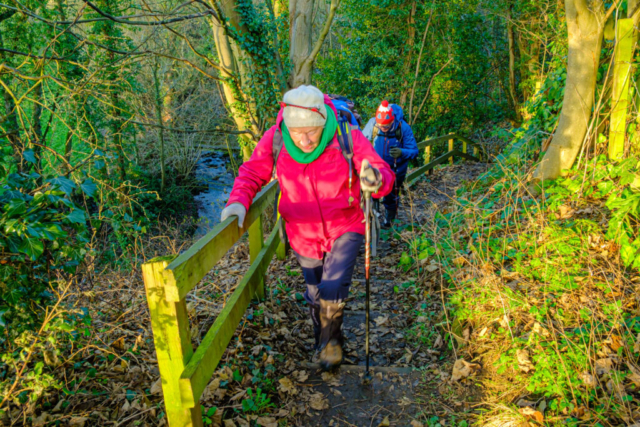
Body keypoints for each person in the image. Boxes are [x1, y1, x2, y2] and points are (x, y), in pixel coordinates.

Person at [221, 85, 395, 370]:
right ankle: (324, 340)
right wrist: (238, 201)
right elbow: (252, 171)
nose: (303, 140)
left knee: (332, 285)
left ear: (323, 120)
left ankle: (329, 347)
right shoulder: (276, 137)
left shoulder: (345, 135)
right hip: (303, 233)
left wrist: (375, 179)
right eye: (297, 132)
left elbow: (380, 170)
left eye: (311, 131)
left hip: (346, 224)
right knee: (315, 293)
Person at [363, 101, 419, 228]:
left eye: (387, 126)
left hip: (396, 168)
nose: (384, 128)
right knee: (371, 192)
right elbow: (361, 141)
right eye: (381, 126)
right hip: (375, 167)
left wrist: (402, 152)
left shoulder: (403, 127)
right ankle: (373, 218)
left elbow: (414, 151)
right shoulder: (373, 123)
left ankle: (389, 221)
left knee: (391, 195)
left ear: (392, 120)